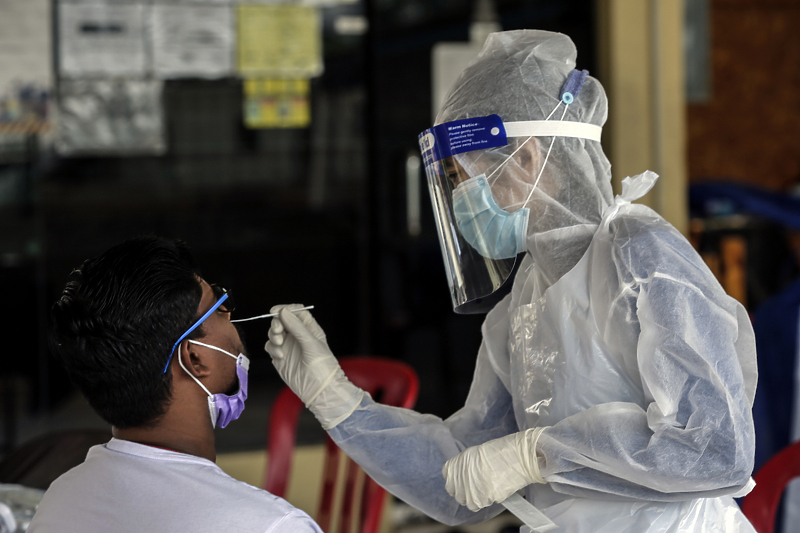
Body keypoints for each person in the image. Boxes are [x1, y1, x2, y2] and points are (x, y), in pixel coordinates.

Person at [265, 30, 758, 532]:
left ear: (526, 158)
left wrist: (538, 453)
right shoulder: (521, 304)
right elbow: (461, 480)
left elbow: (716, 451)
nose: (459, 203)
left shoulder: (640, 257)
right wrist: (338, 401)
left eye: (461, 178)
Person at [29, 236, 322, 533]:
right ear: (195, 358)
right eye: (221, 306)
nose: (231, 316)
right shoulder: (272, 526)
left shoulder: (61, 499)